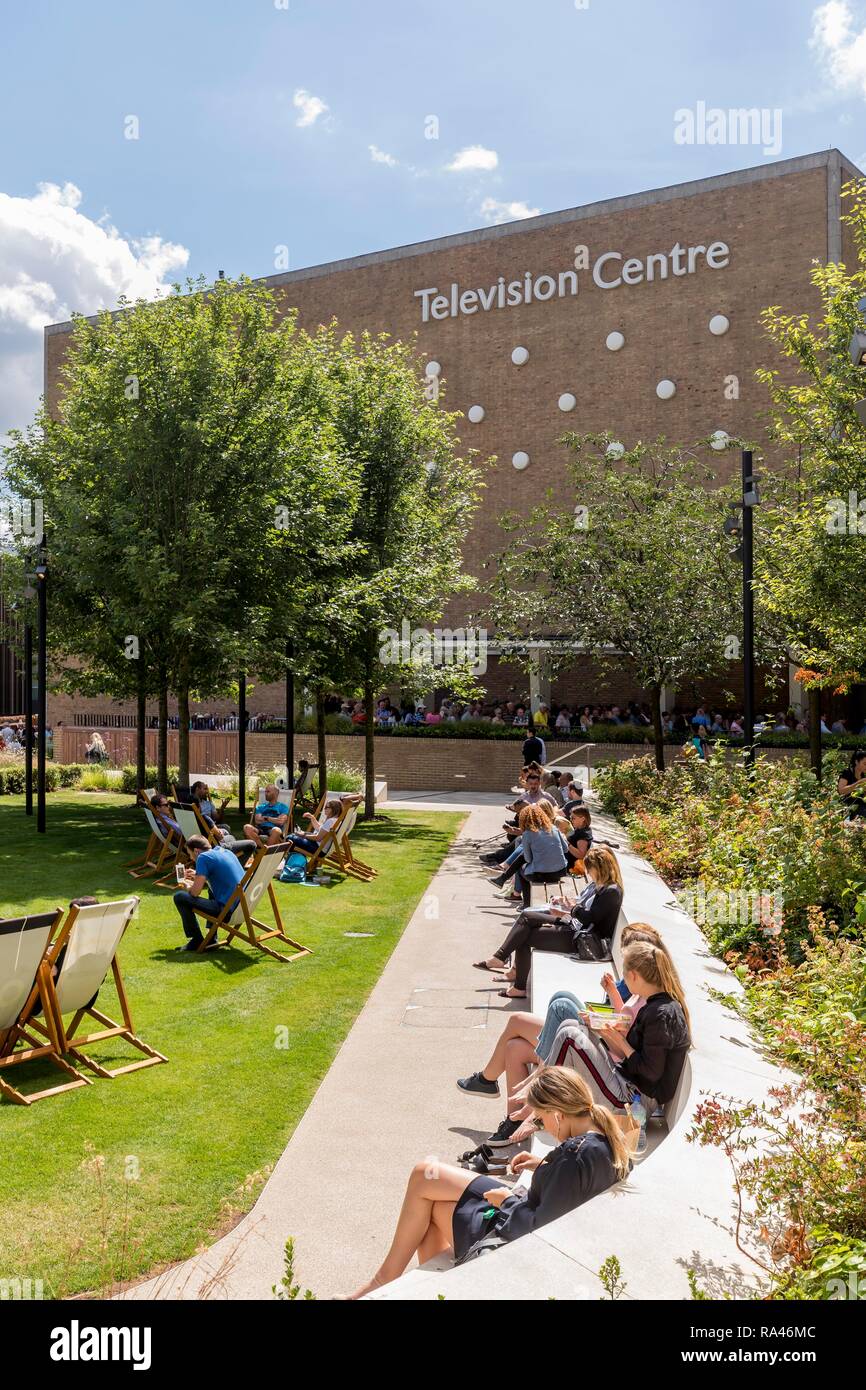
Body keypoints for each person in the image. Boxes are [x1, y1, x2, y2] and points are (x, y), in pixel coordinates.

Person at [345, 1066, 630, 1298]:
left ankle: (383, 1281)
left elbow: (539, 1231)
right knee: (427, 1189)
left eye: (541, 1120)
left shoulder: (574, 1157)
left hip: (517, 1237)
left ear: (557, 1113)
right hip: (527, 1213)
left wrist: (506, 1201)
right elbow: (568, 1191)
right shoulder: (602, 1142)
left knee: (425, 1181)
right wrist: (544, 1165)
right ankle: (408, 1285)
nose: (542, 1127)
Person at [457, 924, 666, 1146]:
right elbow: (623, 1022)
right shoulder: (639, 991)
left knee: (550, 1011)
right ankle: (512, 1116)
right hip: (604, 1049)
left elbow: (624, 1038)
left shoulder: (649, 1001)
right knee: (515, 1047)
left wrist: (604, 1016)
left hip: (608, 1062)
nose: (623, 968)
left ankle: (507, 1083)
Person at [547, 941, 691, 1117]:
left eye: (623, 974)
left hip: (635, 1101)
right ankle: (550, 1104)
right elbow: (629, 1055)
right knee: (571, 1025)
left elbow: (651, 1072)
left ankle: (541, 1108)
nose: (622, 979)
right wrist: (601, 1029)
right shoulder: (657, 1005)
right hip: (626, 1083)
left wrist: (620, 1040)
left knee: (569, 1036)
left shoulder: (660, 1015)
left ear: (633, 976)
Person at [475, 846, 625, 998]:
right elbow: (587, 914)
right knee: (527, 918)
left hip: (584, 940)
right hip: (576, 929)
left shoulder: (611, 891)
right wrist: (569, 908)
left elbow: (589, 918)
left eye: (590, 869)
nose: (589, 873)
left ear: (600, 868)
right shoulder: (604, 886)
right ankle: (504, 964)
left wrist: (571, 908)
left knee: (524, 935)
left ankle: (511, 975)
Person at [173, 835, 248, 951]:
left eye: (190, 854)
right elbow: (219, 875)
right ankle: (212, 937)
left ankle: (196, 940)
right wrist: (199, 874)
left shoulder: (203, 857)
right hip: (243, 906)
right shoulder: (225, 852)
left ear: (196, 851)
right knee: (211, 889)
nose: (191, 858)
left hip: (227, 911)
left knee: (180, 897)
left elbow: (194, 893)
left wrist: (187, 886)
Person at [838, 750, 866, 820]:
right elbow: (841, 791)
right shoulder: (847, 773)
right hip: (848, 806)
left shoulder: (863, 774)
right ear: (856, 762)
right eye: (865, 764)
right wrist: (858, 783)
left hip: (860, 804)